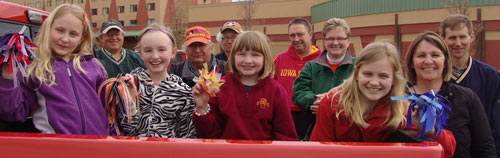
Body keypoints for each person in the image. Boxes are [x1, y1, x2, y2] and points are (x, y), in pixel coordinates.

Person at [310, 42, 456, 157]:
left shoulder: (402, 110)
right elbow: (316, 151)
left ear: (394, 78)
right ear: (356, 73)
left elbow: (447, 151)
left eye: (383, 76)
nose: (374, 82)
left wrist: (430, 130)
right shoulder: (332, 103)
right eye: (367, 74)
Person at [0, 4, 108, 135]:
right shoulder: (35, 69)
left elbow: (108, 110)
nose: (65, 39)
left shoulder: (94, 66)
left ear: (82, 38)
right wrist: (8, 77)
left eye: (73, 34)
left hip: (96, 146)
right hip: (55, 146)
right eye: (60, 30)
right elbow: (14, 112)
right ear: (48, 29)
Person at [192, 31, 298, 140]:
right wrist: (202, 108)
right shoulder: (219, 87)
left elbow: (286, 136)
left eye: (255, 55)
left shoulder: (276, 91)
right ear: (233, 57)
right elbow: (208, 135)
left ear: (265, 58)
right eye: (241, 54)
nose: (248, 61)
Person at [405, 31, 496, 158]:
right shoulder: (397, 99)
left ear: (446, 61)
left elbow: (485, 149)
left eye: (435, 55)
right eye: (421, 56)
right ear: (411, 62)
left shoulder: (466, 98)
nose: (428, 61)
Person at [100, 24, 196, 138]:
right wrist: (130, 105)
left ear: (173, 52)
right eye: (148, 50)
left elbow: (187, 135)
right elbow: (124, 128)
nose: (155, 56)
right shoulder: (130, 83)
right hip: (134, 150)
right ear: (140, 53)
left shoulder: (182, 91)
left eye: (161, 50)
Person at [439, 14, 500, 155]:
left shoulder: (490, 76)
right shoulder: (435, 76)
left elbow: (496, 125)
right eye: (452, 38)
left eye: (462, 37)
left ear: (471, 37)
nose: (458, 43)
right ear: (443, 39)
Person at [292, 18, 355, 140]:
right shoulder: (311, 67)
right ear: (324, 42)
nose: (335, 43)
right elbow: (298, 91)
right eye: (330, 38)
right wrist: (314, 100)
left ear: (348, 41)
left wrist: (328, 104)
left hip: (349, 132)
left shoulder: (358, 67)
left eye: (340, 38)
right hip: (316, 131)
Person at [273, 17, 321, 140]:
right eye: (292, 35)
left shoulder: (322, 60)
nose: (296, 39)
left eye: (300, 34)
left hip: (313, 116)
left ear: (310, 35)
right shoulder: (278, 60)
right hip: (285, 116)